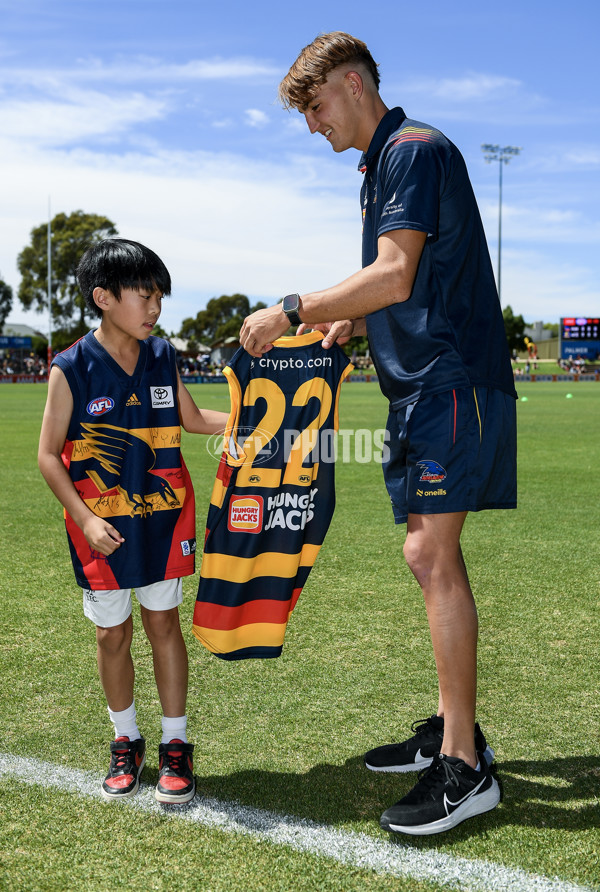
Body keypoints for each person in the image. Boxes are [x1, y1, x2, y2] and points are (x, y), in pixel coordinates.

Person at [239, 32, 517, 836]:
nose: (313, 124)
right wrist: (352, 326)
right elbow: (404, 284)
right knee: (431, 555)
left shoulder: (413, 151)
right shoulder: (386, 163)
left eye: (316, 105)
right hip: (422, 386)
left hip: (448, 383)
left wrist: (296, 309)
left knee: (429, 554)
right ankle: (450, 730)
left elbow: (396, 272)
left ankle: (465, 768)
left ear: (354, 84)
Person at [38, 238, 228, 804]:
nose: (154, 308)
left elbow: (193, 419)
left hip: (163, 520)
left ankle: (176, 745)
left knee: (164, 627)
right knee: (111, 634)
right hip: (102, 530)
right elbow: (49, 456)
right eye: (143, 294)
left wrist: (256, 424)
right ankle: (126, 741)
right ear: (102, 297)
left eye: (158, 296)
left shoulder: (164, 356)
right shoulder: (71, 367)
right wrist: (87, 519)